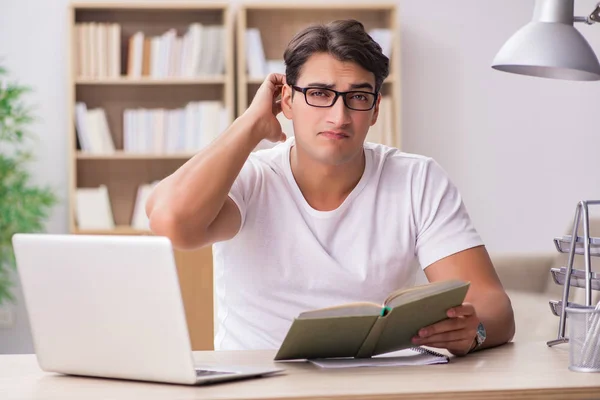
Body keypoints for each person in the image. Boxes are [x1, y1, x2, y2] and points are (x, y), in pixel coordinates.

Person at [145, 19, 515, 357]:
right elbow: (172, 223)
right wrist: (251, 124)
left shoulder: (416, 180)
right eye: (319, 93)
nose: (339, 116)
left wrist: (474, 331)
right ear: (286, 101)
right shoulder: (250, 178)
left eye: (357, 97)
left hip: (377, 385)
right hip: (258, 387)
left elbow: (492, 304)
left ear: (375, 110)